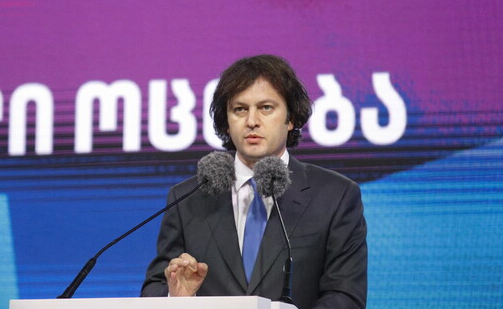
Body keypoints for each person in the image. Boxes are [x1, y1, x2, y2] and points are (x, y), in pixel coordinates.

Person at [141, 55, 367, 308]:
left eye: (266, 108)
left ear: (291, 118)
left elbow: (345, 296)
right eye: (240, 109)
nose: (251, 121)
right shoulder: (188, 198)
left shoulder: (336, 195)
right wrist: (177, 298)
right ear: (227, 123)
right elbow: (154, 287)